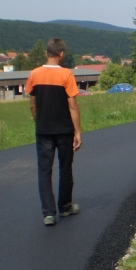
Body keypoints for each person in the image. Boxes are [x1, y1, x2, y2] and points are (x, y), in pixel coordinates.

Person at [24, 38, 82, 226]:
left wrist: (38, 122)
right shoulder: (66, 75)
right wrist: (78, 131)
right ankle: (65, 207)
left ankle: (49, 213)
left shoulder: (34, 74)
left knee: (44, 170)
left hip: (43, 129)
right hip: (64, 129)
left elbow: (32, 105)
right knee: (65, 168)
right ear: (61, 53)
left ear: (46, 53)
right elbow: (72, 106)